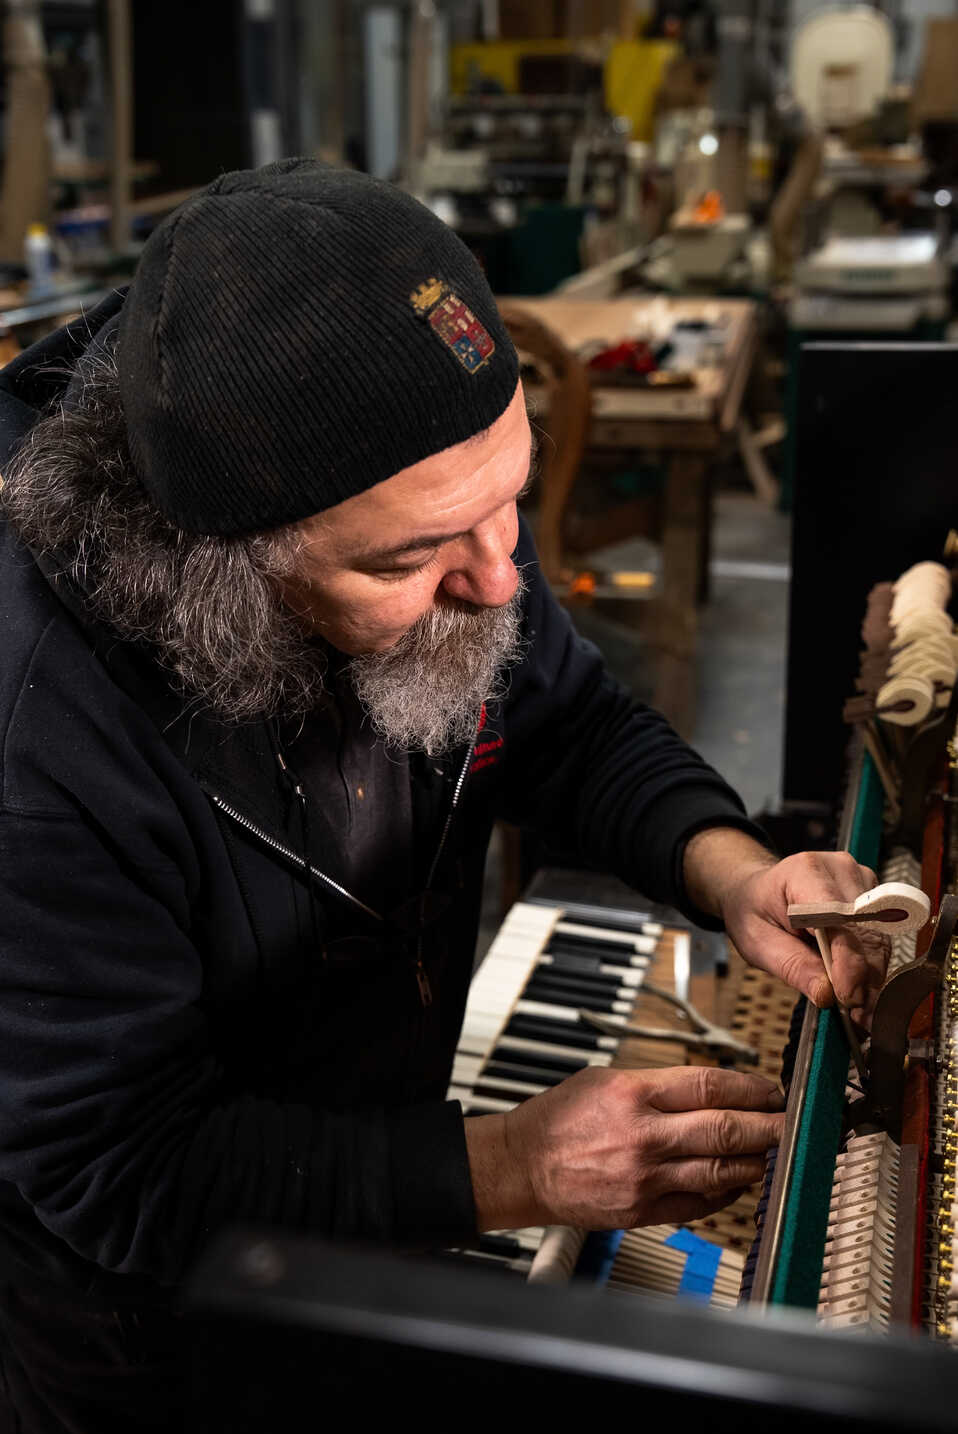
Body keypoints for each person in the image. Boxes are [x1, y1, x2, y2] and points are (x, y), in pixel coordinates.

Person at [0, 160, 883, 1429]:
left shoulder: (446, 530)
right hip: (156, 1330)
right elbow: (120, 1166)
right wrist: (513, 1164)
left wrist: (733, 868)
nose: (499, 579)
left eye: (509, 499)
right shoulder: (40, 736)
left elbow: (570, 724)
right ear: (224, 570)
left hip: (372, 1176)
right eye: (412, 556)